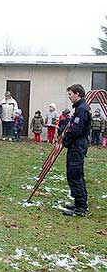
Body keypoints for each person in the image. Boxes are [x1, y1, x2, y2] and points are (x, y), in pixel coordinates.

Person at [62, 84, 91, 216]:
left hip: (77, 146)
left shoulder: (82, 109)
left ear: (77, 94)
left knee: (75, 175)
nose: (69, 97)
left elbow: (76, 129)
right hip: (76, 145)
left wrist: (66, 139)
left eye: (70, 94)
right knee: (75, 174)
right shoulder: (80, 108)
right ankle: (80, 203)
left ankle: (80, 208)